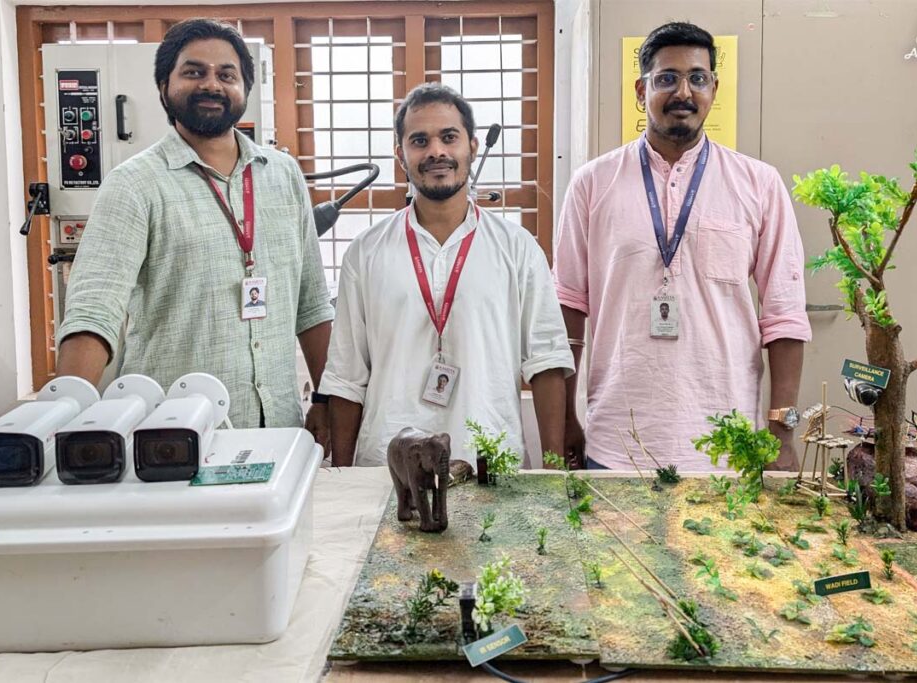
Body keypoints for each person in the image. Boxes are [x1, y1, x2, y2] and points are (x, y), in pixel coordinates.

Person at [55, 18, 334, 447]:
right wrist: (65, 420)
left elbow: (312, 303)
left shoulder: (283, 175)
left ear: (245, 89)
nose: (212, 84)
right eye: (193, 72)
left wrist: (327, 399)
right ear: (164, 86)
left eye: (227, 74)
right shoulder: (134, 184)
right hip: (169, 437)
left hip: (278, 429)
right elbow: (94, 312)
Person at [554, 22, 811, 471]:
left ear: (714, 88)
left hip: (729, 448)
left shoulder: (759, 184)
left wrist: (781, 431)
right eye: (667, 78)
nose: (683, 92)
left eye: (698, 78)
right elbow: (569, 306)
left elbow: (784, 316)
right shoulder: (592, 184)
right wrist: (565, 418)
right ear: (641, 90)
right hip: (616, 442)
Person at [321, 83, 574, 466]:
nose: (436, 151)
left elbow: (547, 362)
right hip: (389, 467)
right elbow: (345, 376)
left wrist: (555, 477)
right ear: (400, 155)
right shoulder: (366, 251)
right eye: (419, 140)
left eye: (449, 137)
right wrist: (342, 479)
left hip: (490, 461)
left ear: (471, 147)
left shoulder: (517, 247)